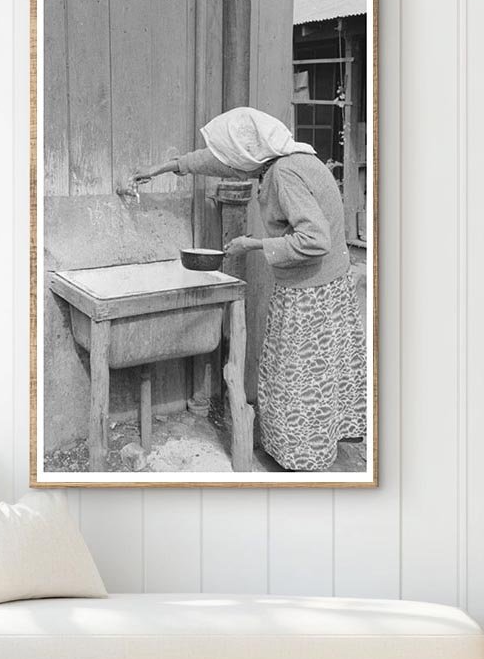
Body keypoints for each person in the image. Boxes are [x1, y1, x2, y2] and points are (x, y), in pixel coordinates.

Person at [131, 106, 366, 472]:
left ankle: (300, 457)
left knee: (297, 377)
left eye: (233, 155)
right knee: (320, 377)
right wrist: (163, 169)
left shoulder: (284, 175)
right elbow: (221, 163)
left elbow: (315, 239)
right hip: (329, 287)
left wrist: (254, 245)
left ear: (249, 154)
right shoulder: (290, 154)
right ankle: (317, 446)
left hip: (310, 294)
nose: (231, 162)